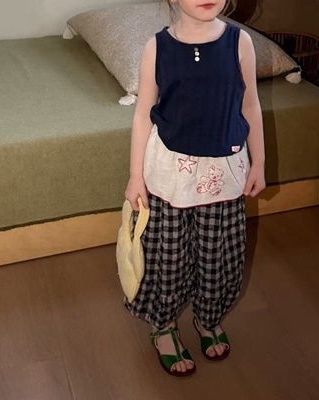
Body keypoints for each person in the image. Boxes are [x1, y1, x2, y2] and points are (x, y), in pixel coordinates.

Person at [124, 0, 265, 377]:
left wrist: (260, 163)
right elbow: (142, 116)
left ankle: (208, 317)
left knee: (219, 256)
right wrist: (135, 176)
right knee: (168, 258)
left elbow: (250, 106)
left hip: (225, 176)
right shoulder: (156, 47)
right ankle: (164, 326)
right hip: (170, 178)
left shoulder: (240, 42)